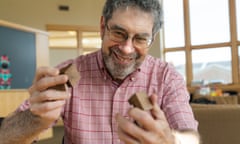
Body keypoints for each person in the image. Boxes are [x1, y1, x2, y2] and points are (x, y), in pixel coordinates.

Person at [0, 0, 200, 143]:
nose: (127, 48)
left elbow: (191, 137)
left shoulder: (167, 77)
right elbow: (4, 136)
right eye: (119, 33)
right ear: (103, 27)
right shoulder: (68, 72)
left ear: (152, 40)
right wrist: (34, 118)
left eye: (140, 39)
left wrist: (173, 140)